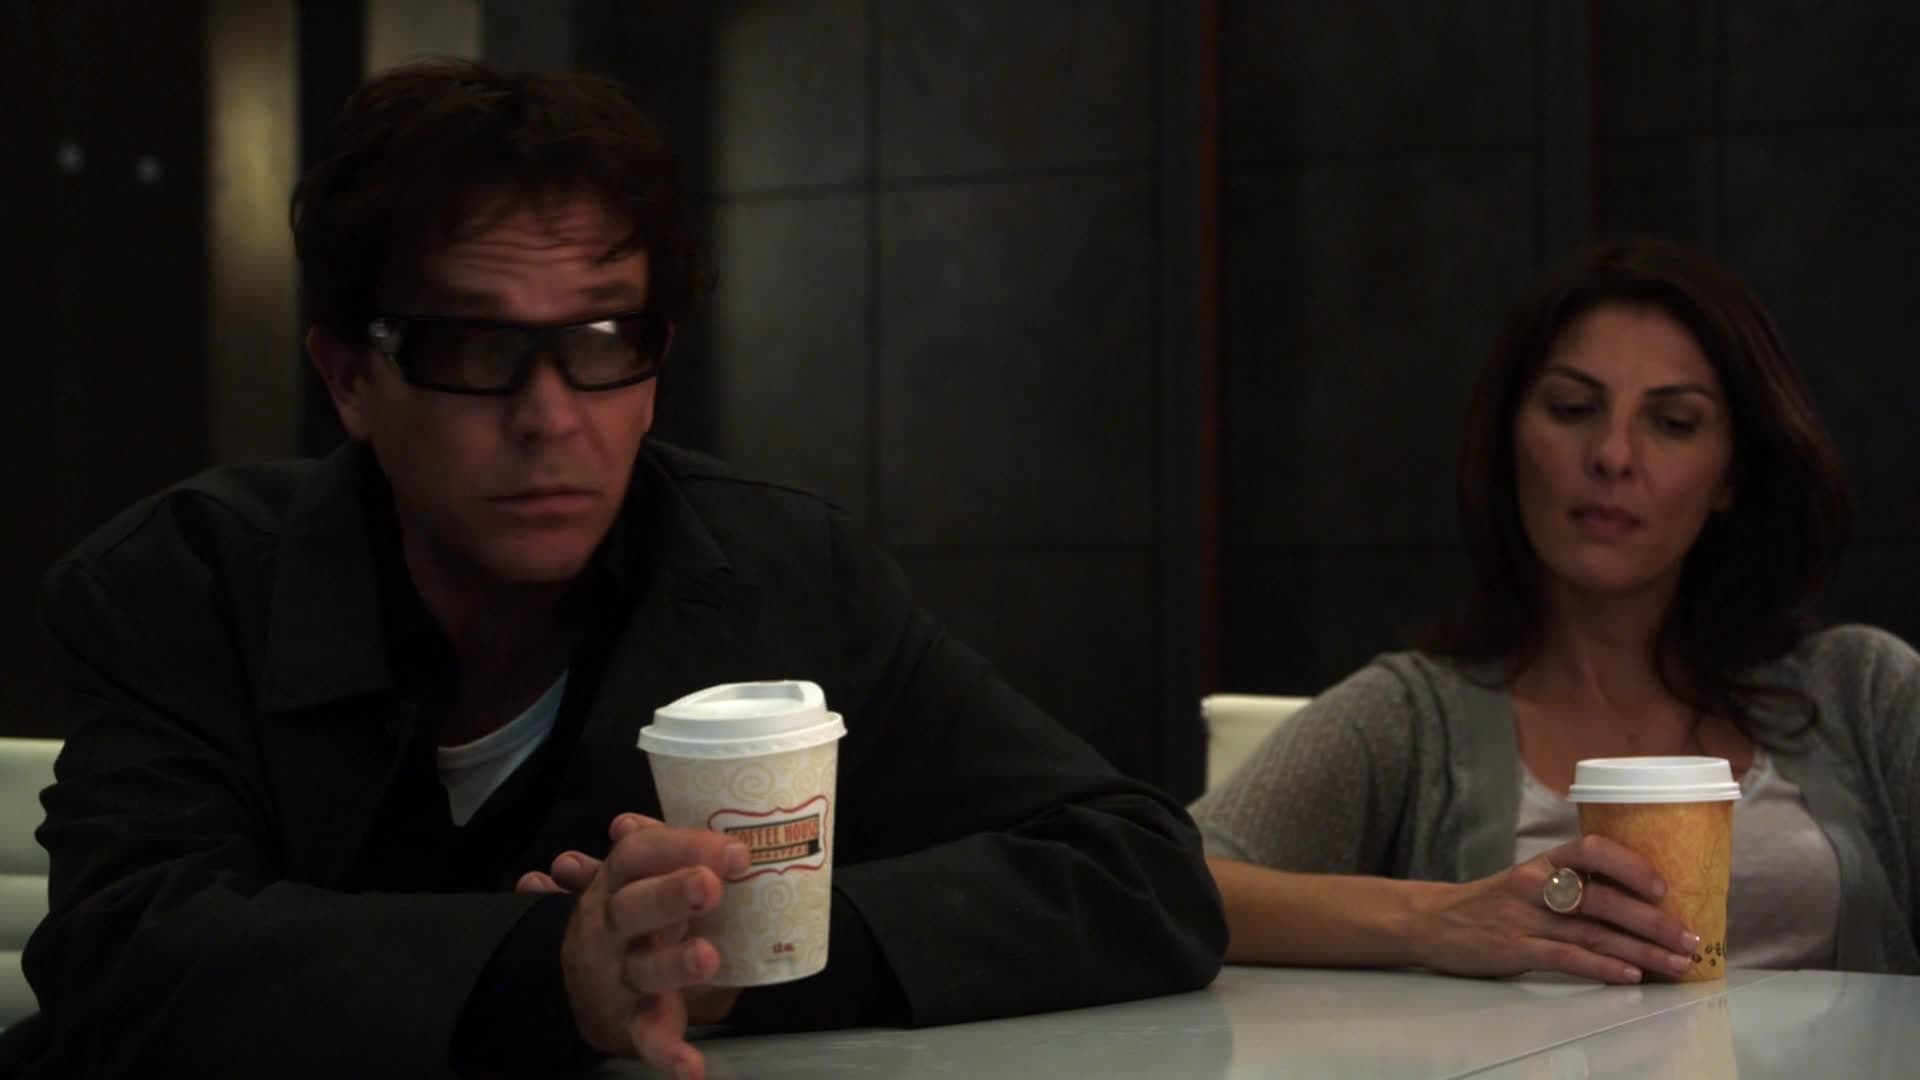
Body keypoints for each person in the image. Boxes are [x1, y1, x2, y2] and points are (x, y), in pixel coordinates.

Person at [0, 60, 1225, 1078]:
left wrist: (730, 962)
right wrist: (558, 970)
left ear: (656, 363)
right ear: (348, 378)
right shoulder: (190, 581)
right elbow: (122, 957)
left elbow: (1135, 869)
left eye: (603, 340)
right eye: (471, 348)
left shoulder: (775, 569)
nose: (549, 418)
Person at [1193, 236, 1920, 985]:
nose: (1612, 454)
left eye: (1673, 422)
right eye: (1573, 409)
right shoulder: (1417, 717)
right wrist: (1432, 920)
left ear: (1730, 476)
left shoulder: (1862, 692)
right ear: (1511, 438)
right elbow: (1161, 883)